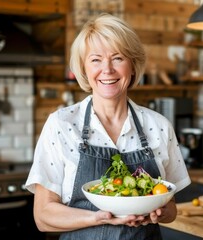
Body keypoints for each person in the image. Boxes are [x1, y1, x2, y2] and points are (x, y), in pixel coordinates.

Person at [25, 13, 191, 240]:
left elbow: (171, 208)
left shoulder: (159, 126)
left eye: (118, 58)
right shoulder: (61, 125)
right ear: (84, 69)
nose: (107, 69)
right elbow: (43, 217)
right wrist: (97, 218)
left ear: (133, 65)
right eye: (95, 60)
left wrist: (159, 211)